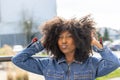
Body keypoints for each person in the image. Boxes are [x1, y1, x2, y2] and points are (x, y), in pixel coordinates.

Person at [11, 15, 120, 80]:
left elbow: (114, 63)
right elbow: (18, 60)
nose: (63, 41)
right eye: (59, 37)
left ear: (78, 40)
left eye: (68, 37)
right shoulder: (47, 64)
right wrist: (41, 44)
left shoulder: (92, 64)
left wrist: (95, 43)